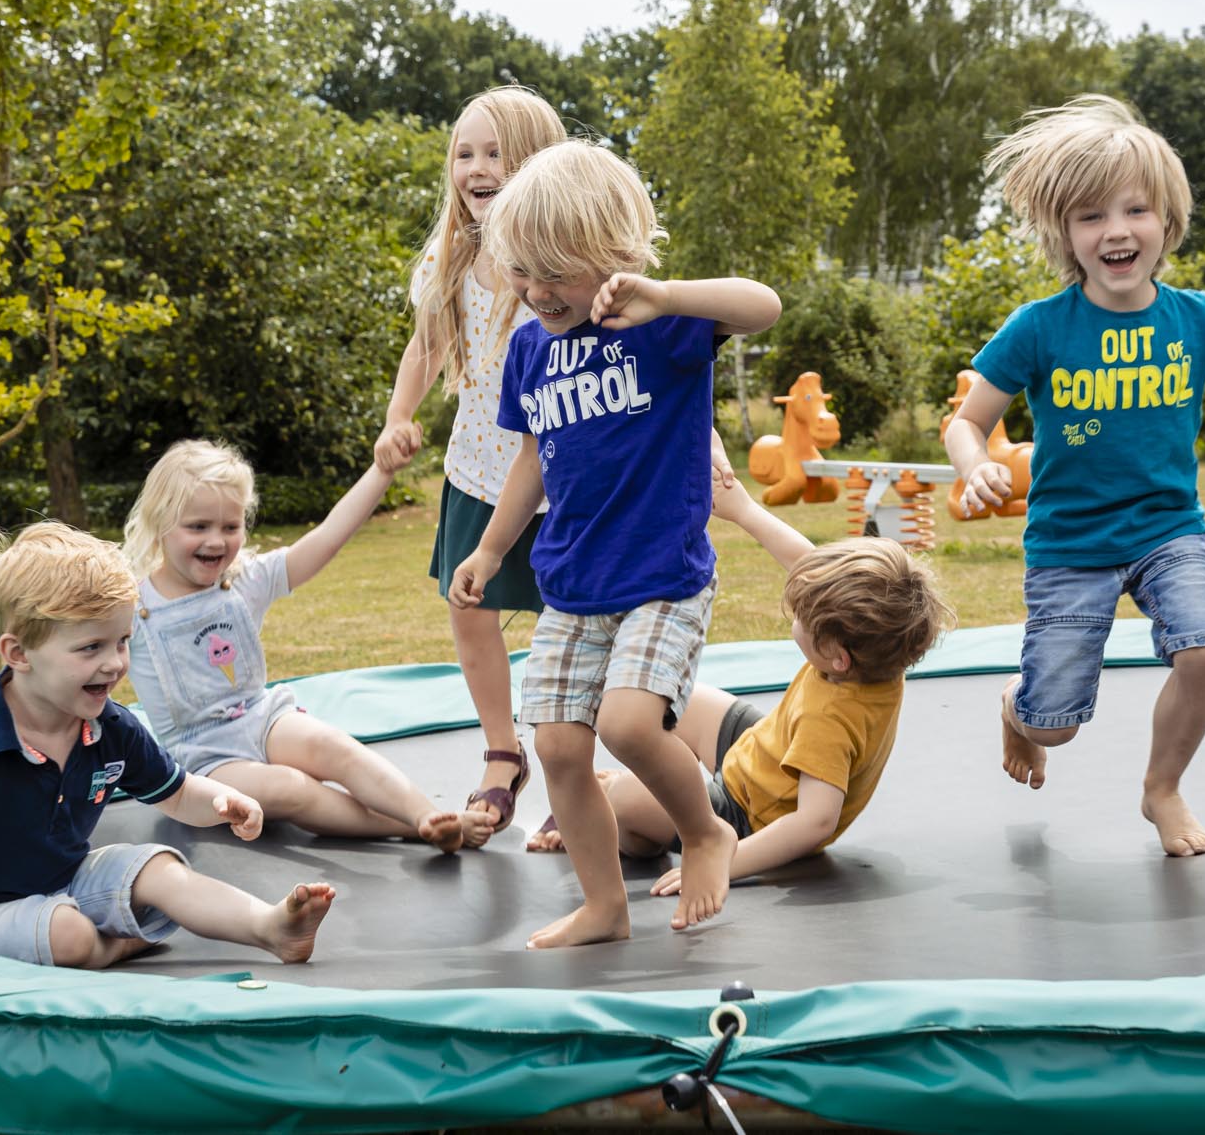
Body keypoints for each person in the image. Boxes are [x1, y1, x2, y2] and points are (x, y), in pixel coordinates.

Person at [944, 95, 1205, 858]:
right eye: (1091, 216)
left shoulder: (1200, 319)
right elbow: (965, 420)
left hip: (1167, 528)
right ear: (1066, 236)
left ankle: (1162, 787)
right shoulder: (1040, 327)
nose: (1116, 230)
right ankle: (1020, 708)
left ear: (1167, 221)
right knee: (1056, 722)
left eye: (1135, 210)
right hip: (1068, 542)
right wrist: (976, 464)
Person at [449, 139, 781, 948]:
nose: (535, 292)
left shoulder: (664, 327)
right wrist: (493, 550)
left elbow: (762, 302)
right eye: (521, 274)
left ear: (614, 257)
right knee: (560, 745)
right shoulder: (531, 347)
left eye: (554, 273)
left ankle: (706, 832)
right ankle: (604, 904)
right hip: (571, 583)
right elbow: (533, 455)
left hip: (661, 574)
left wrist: (663, 295)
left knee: (630, 726)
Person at [0, 523, 335, 968]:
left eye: (121, 641)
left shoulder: (111, 729)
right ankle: (118, 945)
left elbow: (179, 793)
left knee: (158, 868)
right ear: (19, 654)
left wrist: (222, 803)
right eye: (90, 648)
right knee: (68, 932)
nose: (115, 663)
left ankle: (269, 928)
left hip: (69, 880)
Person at [530, 461, 955, 898]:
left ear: (838, 658)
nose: (796, 615)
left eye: (804, 618)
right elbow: (808, 566)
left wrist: (726, 864)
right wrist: (744, 510)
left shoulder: (828, 720)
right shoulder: (878, 650)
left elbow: (815, 822)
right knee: (676, 702)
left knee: (625, 801)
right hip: (763, 752)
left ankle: (627, 826)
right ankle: (645, 787)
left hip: (749, 817)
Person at [122, 440, 485, 851]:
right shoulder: (132, 608)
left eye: (230, 527)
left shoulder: (241, 581)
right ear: (159, 522)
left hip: (261, 718)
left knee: (333, 746)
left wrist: (382, 472)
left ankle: (426, 814)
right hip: (202, 758)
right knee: (290, 788)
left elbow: (328, 538)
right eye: (198, 527)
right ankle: (410, 828)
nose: (217, 541)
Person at [376, 86, 566, 840]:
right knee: (470, 610)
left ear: (538, 165)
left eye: (496, 153)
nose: (478, 168)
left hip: (562, 480)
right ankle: (502, 751)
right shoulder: (448, 256)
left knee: (570, 623)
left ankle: (574, 767)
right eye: (465, 153)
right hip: (477, 468)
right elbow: (426, 346)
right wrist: (398, 416)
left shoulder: (559, 258)